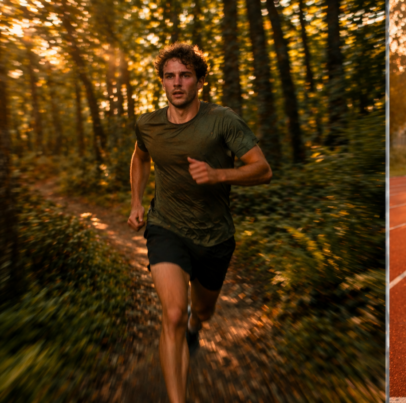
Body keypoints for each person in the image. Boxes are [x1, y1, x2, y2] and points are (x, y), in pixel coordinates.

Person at [127, 43, 272, 403]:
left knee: (201, 311)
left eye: (185, 75)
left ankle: (197, 326)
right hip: (166, 227)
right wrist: (135, 201)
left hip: (215, 237)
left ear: (199, 81)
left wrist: (219, 173)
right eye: (169, 76)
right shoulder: (148, 124)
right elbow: (140, 158)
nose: (177, 83)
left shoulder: (222, 120)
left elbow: (263, 169)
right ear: (162, 82)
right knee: (173, 313)